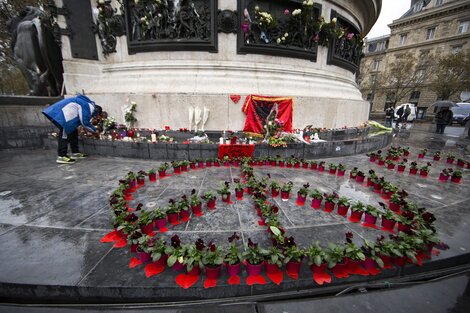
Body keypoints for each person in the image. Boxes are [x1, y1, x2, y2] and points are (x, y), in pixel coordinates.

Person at [42, 94, 102, 164]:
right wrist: (95, 131)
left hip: (67, 117)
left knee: (73, 132)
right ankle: (61, 156)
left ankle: (75, 152)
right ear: (96, 112)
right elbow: (84, 122)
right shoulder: (88, 106)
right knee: (65, 135)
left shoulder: (86, 104)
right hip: (64, 117)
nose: (95, 117)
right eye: (97, 116)